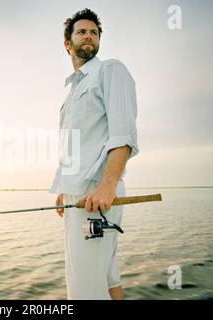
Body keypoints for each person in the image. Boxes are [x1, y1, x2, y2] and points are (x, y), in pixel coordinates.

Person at [50, 8, 139, 300]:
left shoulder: (110, 70)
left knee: (84, 291)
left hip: (97, 195)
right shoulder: (71, 94)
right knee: (107, 274)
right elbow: (73, 146)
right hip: (78, 196)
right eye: (82, 32)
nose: (89, 36)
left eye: (94, 32)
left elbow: (122, 135)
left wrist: (108, 185)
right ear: (68, 43)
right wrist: (63, 188)